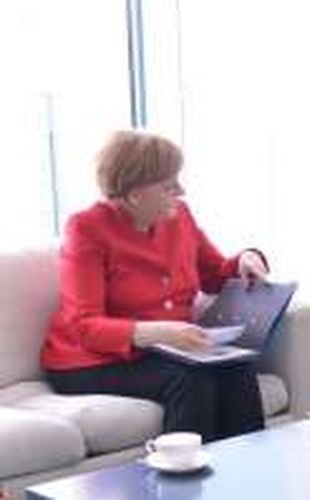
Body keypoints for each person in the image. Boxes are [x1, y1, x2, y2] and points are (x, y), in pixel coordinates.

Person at [41, 130, 269, 441]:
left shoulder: (179, 216)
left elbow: (214, 275)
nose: (181, 190)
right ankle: (184, 487)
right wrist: (158, 333)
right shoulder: (86, 228)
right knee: (191, 380)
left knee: (238, 370)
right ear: (135, 193)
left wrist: (245, 258)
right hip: (89, 359)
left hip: (165, 351)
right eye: (169, 185)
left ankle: (248, 483)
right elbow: (84, 326)